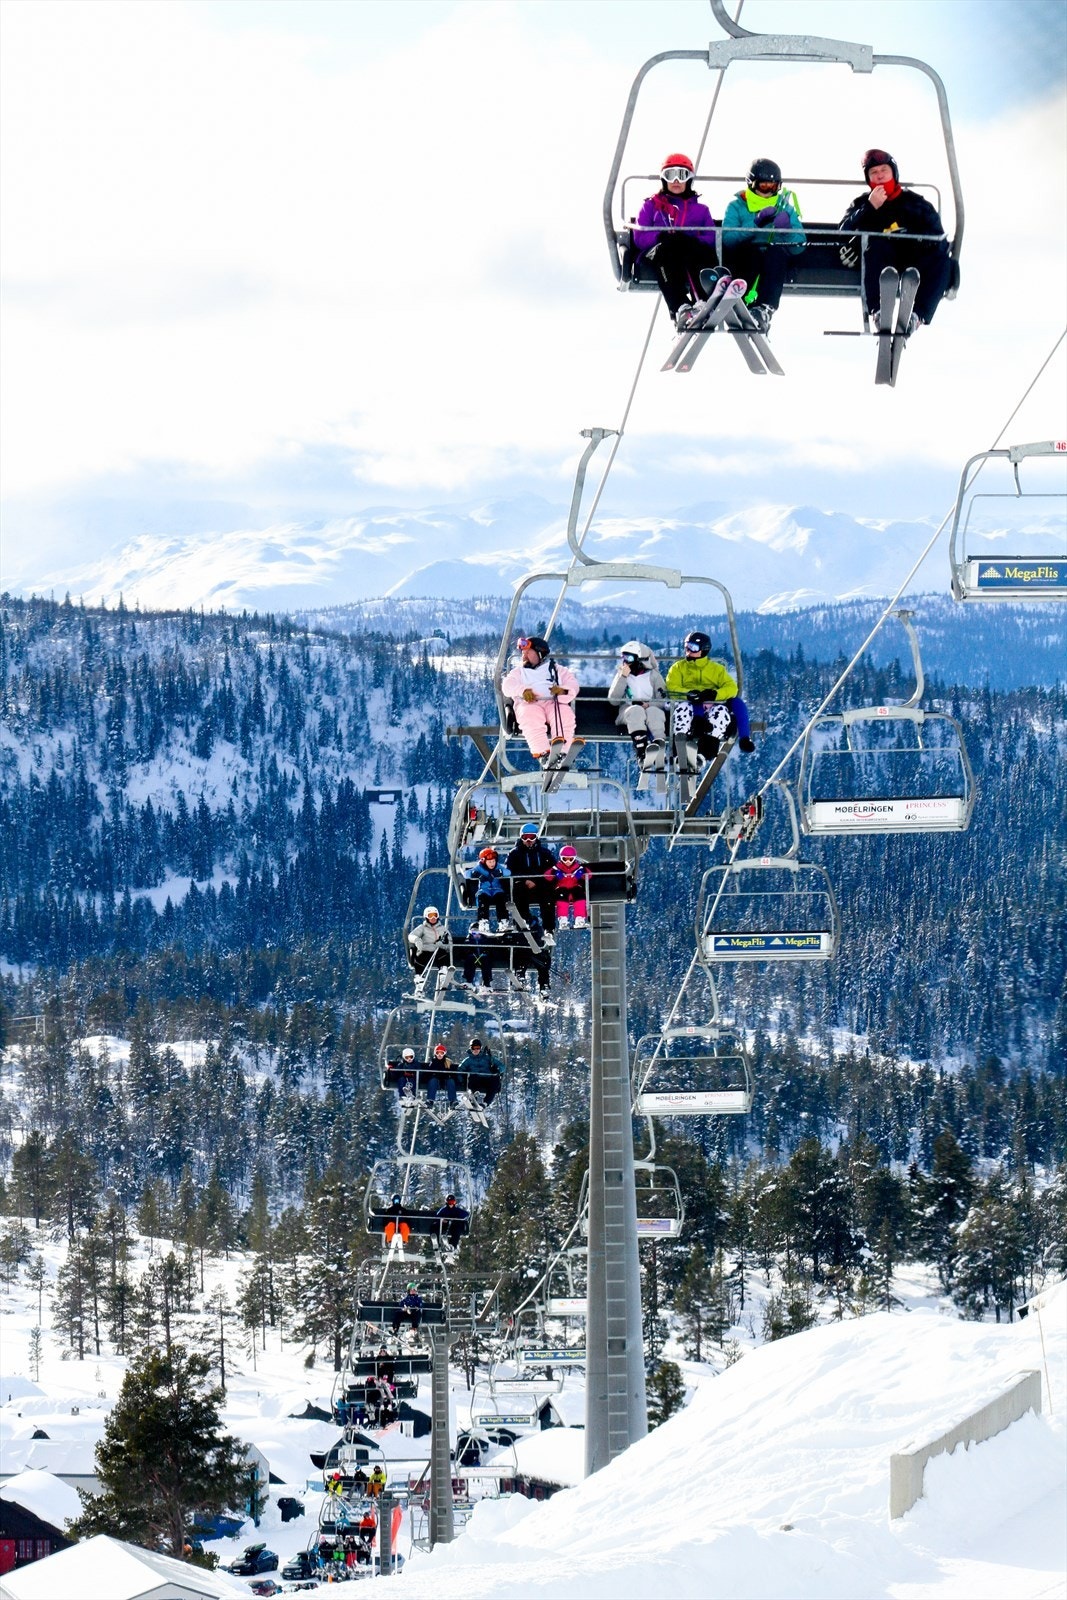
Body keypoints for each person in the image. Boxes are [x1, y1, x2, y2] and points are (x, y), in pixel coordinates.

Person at [838, 147, 952, 330]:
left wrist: (917, 239)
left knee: (942, 261)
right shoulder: (862, 204)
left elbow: (938, 237)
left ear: (893, 172)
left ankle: (918, 316)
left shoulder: (915, 203)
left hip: (914, 258)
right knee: (876, 245)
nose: (880, 176)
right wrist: (869, 207)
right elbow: (843, 231)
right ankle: (877, 312)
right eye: (874, 173)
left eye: (884, 170)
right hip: (883, 260)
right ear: (869, 179)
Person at [632, 152, 718, 328]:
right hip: (658, 253)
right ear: (664, 179)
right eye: (671, 175)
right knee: (669, 248)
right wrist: (660, 236)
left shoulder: (701, 210)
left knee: (688, 247)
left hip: (688, 251)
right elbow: (639, 237)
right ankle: (679, 307)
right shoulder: (651, 207)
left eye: (682, 175)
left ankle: (701, 300)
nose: (677, 181)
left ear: (689, 180)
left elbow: (710, 238)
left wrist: (690, 239)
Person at [720, 158, 805, 332]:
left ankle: (764, 308)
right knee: (751, 252)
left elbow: (799, 244)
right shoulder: (736, 206)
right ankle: (739, 298)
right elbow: (728, 238)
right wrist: (756, 224)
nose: (768, 192)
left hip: (773, 259)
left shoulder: (785, 208)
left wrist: (786, 230)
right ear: (751, 184)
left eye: (773, 187)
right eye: (763, 186)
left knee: (776, 253)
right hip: (745, 257)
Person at [665, 630, 755, 763]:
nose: (688, 651)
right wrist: (690, 694)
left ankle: (703, 754)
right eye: (686, 647)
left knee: (721, 713)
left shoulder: (716, 670)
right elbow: (672, 686)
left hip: (711, 706)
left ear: (704, 650)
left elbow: (731, 688)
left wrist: (715, 694)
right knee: (683, 709)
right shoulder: (678, 668)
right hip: (688, 703)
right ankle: (680, 748)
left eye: (693, 648)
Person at [501, 636, 580, 768]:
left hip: (552, 703)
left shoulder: (556, 670)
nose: (524, 656)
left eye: (528, 652)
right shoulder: (519, 672)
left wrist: (562, 691)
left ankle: (562, 752)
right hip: (529, 703)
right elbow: (507, 686)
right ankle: (543, 753)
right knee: (530, 717)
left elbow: (573, 684)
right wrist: (522, 690)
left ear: (540, 653)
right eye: (523, 653)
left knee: (564, 715)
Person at [607, 640, 669, 770]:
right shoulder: (622, 676)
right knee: (636, 710)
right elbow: (614, 700)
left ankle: (659, 745)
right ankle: (641, 751)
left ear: (639, 659)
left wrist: (650, 704)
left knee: (654, 712)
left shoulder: (653, 676)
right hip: (629, 713)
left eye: (629, 658)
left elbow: (663, 699)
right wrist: (623, 677)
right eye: (623, 657)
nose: (625, 661)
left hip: (650, 710)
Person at [505, 823, 558, 936]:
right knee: (517, 892)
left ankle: (549, 928)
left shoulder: (544, 853)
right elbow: (510, 871)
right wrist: (525, 880)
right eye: (525, 837)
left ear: (536, 837)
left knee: (548, 896)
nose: (529, 840)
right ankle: (523, 920)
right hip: (523, 886)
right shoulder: (515, 854)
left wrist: (537, 881)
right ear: (521, 837)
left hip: (540, 886)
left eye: (532, 837)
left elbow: (552, 870)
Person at [468, 847, 511, 931]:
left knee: (501, 900)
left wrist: (500, 872)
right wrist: (475, 874)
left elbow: (508, 872)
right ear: (484, 861)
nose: (492, 864)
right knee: (482, 901)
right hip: (484, 890)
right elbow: (467, 873)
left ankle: (503, 922)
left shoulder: (498, 867)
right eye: (490, 862)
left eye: (493, 861)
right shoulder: (479, 868)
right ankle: (483, 922)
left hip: (497, 890)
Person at [546, 844, 588, 928]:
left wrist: (583, 872)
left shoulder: (578, 867)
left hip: (574, 888)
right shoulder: (557, 867)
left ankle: (580, 919)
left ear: (574, 858)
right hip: (562, 888)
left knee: (580, 898)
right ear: (561, 858)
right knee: (562, 901)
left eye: (570, 859)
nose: (568, 862)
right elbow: (547, 876)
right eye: (564, 859)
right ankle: (563, 920)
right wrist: (554, 873)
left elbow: (589, 875)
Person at [407, 905, 449, 980]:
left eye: (435, 915)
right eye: (430, 916)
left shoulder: (442, 929)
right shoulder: (422, 928)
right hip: (425, 949)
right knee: (420, 957)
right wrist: (416, 939)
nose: (433, 918)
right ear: (426, 917)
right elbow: (411, 936)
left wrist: (443, 945)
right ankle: (419, 976)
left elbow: (449, 940)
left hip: (437, 950)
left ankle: (443, 970)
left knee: (443, 954)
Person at [459, 1036, 502, 1106]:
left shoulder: (487, 1058)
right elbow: (460, 1070)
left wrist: (497, 1070)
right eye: (473, 1048)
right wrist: (462, 1080)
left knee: (495, 1080)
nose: (476, 1050)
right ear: (470, 1048)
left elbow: (502, 1066)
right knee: (473, 1077)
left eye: (478, 1048)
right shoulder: (468, 1060)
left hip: (487, 1079)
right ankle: (473, 1098)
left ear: (480, 1048)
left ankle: (486, 1102)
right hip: (476, 1080)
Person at [425, 1040, 459, 1109]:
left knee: (451, 1081)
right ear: (435, 1053)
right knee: (433, 1080)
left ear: (444, 1054)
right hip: (436, 1082)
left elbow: (453, 1073)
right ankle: (430, 1100)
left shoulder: (447, 1062)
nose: (440, 1055)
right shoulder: (433, 1062)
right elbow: (427, 1073)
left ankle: (452, 1101)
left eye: (442, 1053)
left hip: (445, 1081)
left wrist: (451, 1076)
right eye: (438, 1053)